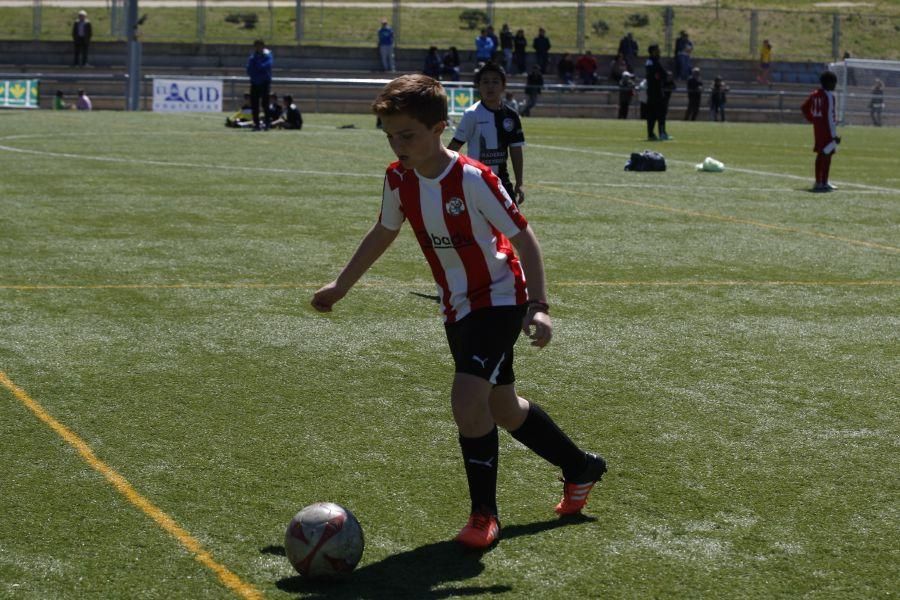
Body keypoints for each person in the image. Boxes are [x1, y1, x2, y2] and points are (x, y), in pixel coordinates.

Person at [311, 73, 607, 550]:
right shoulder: (398, 178)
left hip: (501, 297)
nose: (398, 145)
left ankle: (483, 517)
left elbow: (524, 237)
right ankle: (580, 466)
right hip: (458, 306)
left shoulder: (473, 178)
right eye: (390, 136)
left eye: (407, 134)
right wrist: (341, 285)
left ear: (439, 128)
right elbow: (384, 231)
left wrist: (540, 306)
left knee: (467, 400)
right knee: (502, 407)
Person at [448, 62, 526, 205]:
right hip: (476, 181)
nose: (490, 86)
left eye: (495, 82)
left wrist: (519, 182)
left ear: (503, 86)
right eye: (485, 82)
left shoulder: (511, 116)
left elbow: (516, 150)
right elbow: (454, 146)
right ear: (478, 86)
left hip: (502, 181)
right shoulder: (471, 114)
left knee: (516, 226)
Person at [801, 71, 841, 192]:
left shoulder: (814, 94)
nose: (835, 86)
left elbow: (804, 107)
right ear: (829, 83)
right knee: (826, 154)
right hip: (827, 129)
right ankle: (821, 182)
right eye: (834, 83)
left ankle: (822, 181)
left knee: (823, 153)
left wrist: (813, 119)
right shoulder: (829, 96)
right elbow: (830, 116)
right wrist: (834, 135)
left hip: (818, 128)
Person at [246, 39, 273, 131]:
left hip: (264, 83)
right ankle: (256, 124)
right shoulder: (252, 57)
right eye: (256, 46)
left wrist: (257, 66)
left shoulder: (268, 55)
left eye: (259, 45)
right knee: (255, 105)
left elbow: (266, 66)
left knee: (265, 104)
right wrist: (257, 70)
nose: (258, 48)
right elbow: (249, 69)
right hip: (255, 82)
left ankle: (267, 124)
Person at [644, 44, 665, 140]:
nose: (659, 51)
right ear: (653, 51)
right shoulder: (651, 62)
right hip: (654, 91)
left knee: (659, 113)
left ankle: (661, 132)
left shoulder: (655, 61)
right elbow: (656, 74)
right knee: (653, 114)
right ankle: (652, 134)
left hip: (656, 90)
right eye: (657, 50)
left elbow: (662, 74)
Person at [659, 70, 676, 139]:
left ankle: (663, 132)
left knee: (663, 117)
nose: (670, 77)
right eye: (669, 76)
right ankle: (661, 133)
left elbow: (674, 87)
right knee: (661, 118)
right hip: (661, 102)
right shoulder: (663, 82)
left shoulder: (671, 82)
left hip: (666, 102)